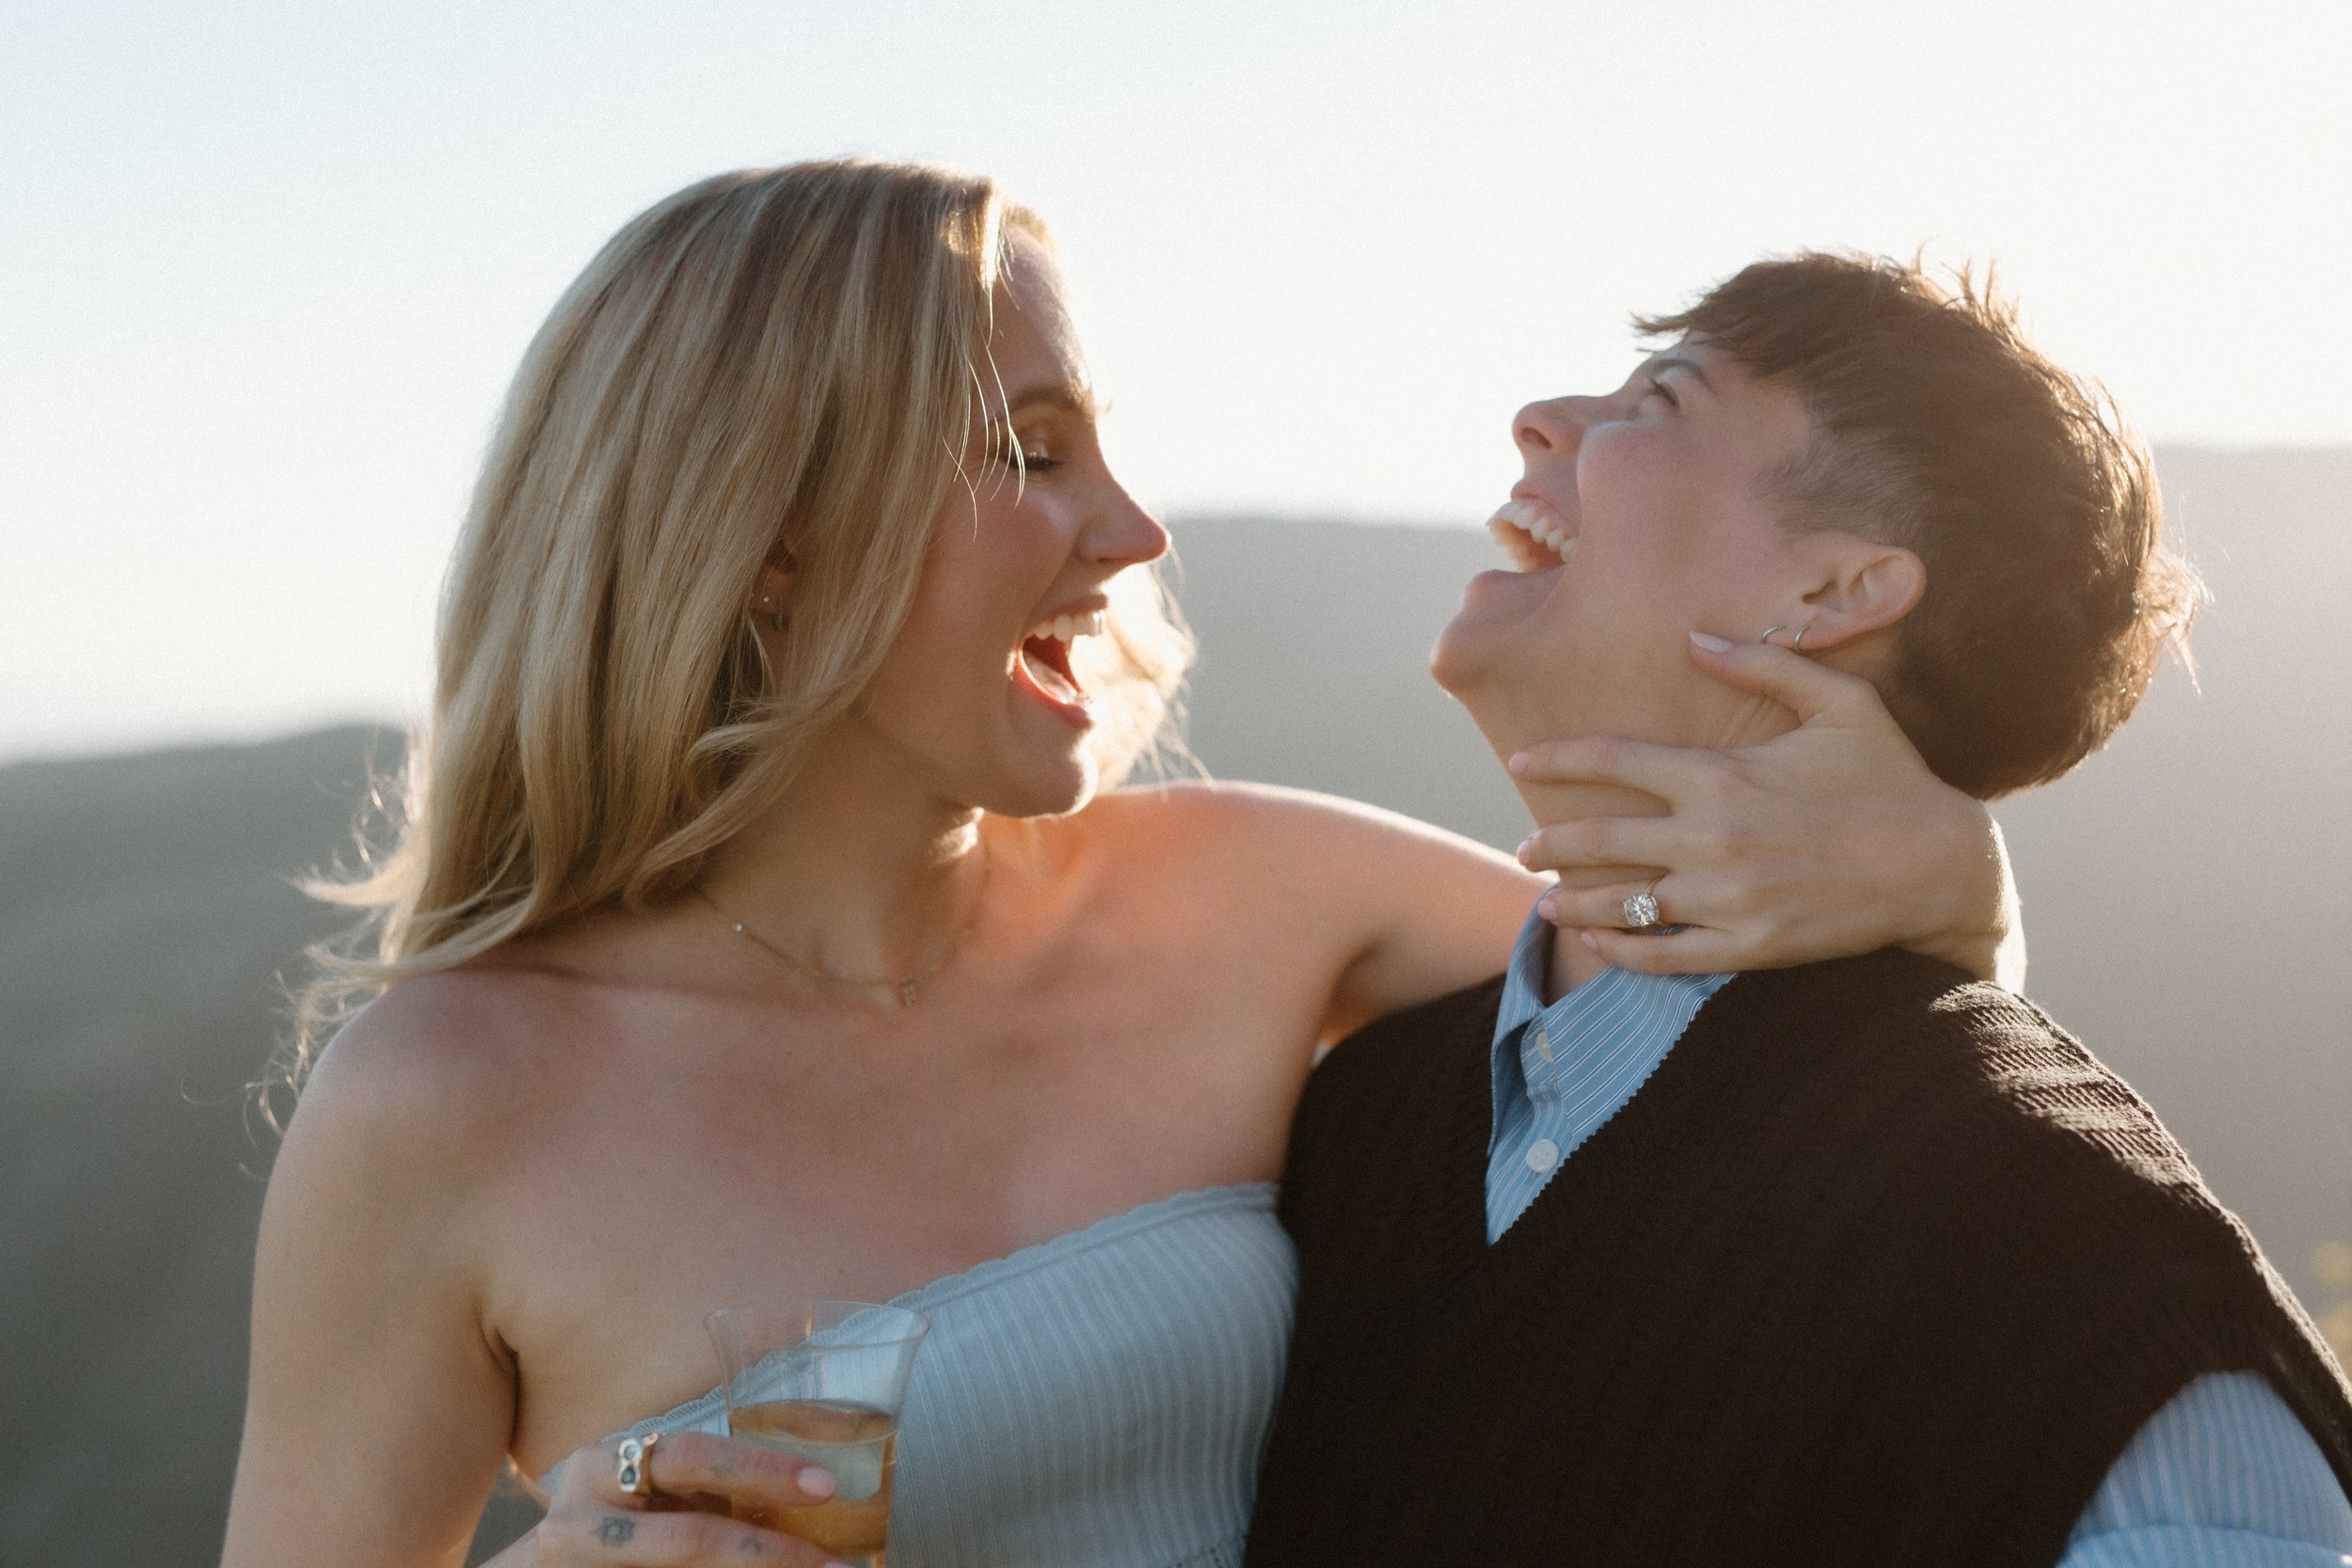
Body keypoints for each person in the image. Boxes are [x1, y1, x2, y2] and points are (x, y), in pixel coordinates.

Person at [220, 166, 2021, 1568]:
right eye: (1035, 450)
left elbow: (1782, 1063)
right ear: (770, 548)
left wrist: (1954, 883)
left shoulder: (1262, 900)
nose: (1137, 531)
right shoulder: (448, 1099)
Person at [1244, 253, 2352, 1568]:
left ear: (1833, 595)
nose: (1542, 417)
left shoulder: (2076, 1266)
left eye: (1660, 402)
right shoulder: (1351, 1126)